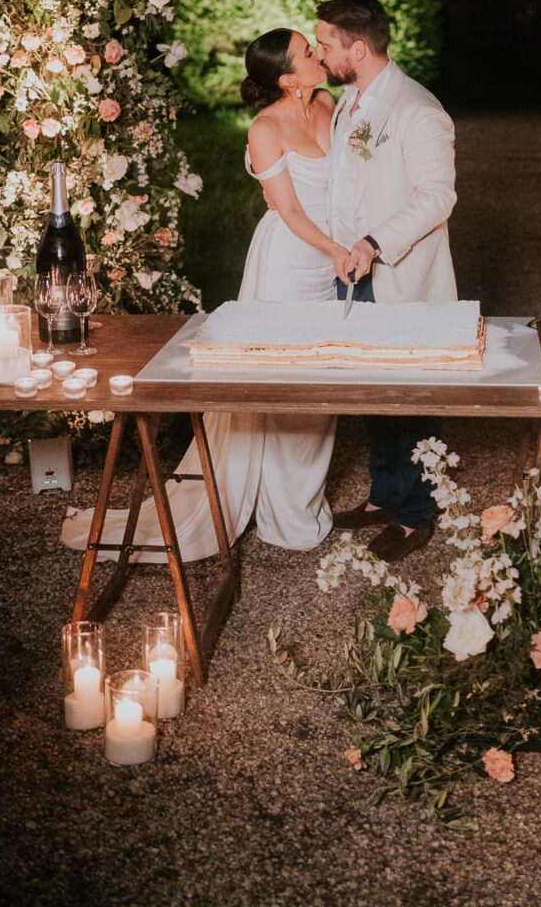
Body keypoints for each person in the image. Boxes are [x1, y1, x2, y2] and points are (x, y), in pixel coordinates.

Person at [61, 28, 346, 561]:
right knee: (280, 382)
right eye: (309, 52)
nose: (318, 55)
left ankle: (297, 507)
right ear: (287, 78)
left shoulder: (329, 102)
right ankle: (265, 508)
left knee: (321, 383)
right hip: (289, 264)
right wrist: (334, 248)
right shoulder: (266, 128)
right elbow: (288, 210)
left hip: (335, 259)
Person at [316, 0, 457, 563]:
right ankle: (384, 494)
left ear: (358, 47)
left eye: (326, 43)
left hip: (399, 273)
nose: (322, 53)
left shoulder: (418, 109)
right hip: (353, 271)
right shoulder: (352, 101)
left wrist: (375, 243)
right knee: (374, 389)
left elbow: (438, 197)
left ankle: (418, 512)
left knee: (410, 393)